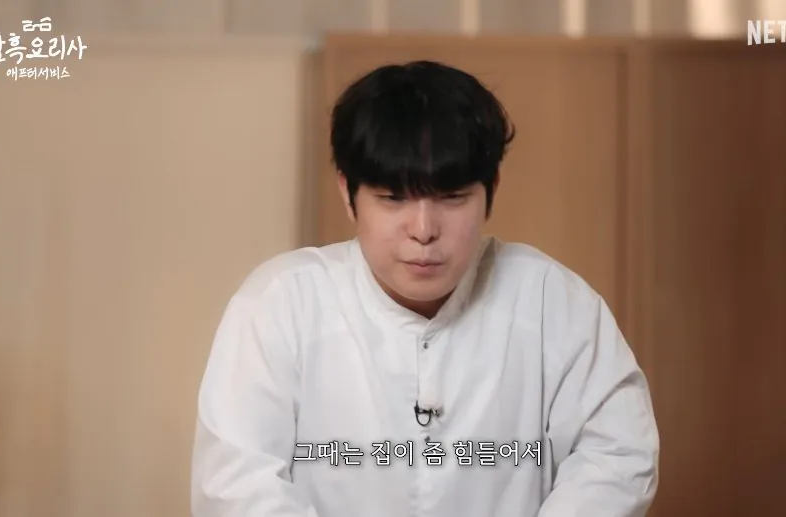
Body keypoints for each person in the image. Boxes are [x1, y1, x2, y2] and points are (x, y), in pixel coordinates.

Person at [190, 60, 659, 517]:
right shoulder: (280, 304)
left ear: (491, 189)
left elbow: (618, 455)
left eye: (452, 197)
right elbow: (237, 486)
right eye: (392, 198)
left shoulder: (551, 301)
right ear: (347, 193)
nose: (423, 230)